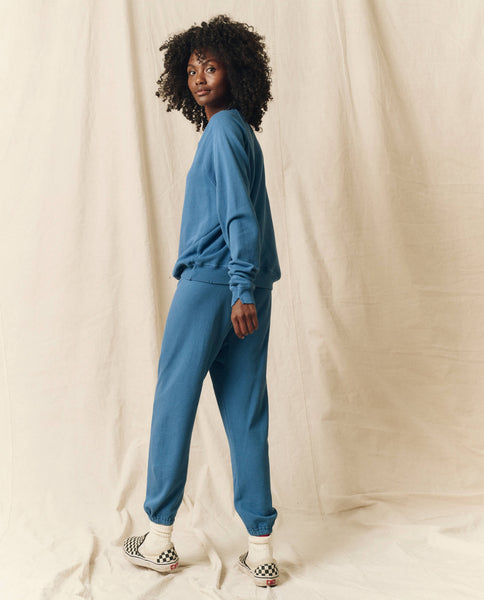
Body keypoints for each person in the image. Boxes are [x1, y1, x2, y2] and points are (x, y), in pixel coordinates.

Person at [122, 14, 281, 588]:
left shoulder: (222, 132)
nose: (199, 78)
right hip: (248, 289)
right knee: (246, 413)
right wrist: (248, 287)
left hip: (216, 285)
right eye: (191, 70)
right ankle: (261, 548)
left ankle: (158, 537)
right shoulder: (238, 132)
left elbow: (238, 216)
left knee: (174, 399)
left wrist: (237, 286)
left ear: (235, 72)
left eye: (210, 68)